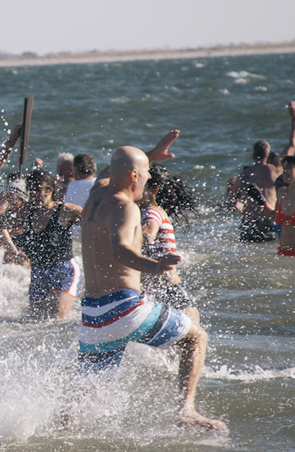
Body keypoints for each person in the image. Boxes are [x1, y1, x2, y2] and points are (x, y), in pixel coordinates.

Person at [79, 146, 224, 430]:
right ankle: (187, 410)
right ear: (134, 175)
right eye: (145, 174)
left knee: (84, 394)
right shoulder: (127, 207)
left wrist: (150, 156)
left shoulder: (95, 197)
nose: (147, 180)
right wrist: (155, 266)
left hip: (93, 316)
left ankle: (60, 432)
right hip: (123, 307)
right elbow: (119, 250)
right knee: (196, 337)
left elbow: (110, 171)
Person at [225, 101, 295, 241]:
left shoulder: (243, 175)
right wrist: (294, 118)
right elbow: (293, 144)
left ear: (253, 156)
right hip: (269, 222)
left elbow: (232, 205)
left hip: (249, 225)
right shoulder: (278, 169)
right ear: (269, 155)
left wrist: (243, 206)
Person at [19, 170, 83, 320]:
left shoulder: (65, 210)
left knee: (55, 321)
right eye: (31, 190)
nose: (35, 194)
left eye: (38, 190)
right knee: (35, 323)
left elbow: (95, 222)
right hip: (38, 274)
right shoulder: (25, 212)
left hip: (64, 270)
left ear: (50, 190)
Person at [140, 164, 200, 324]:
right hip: (170, 293)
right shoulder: (158, 211)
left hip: (166, 294)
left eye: (140, 185)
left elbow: (147, 236)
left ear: (153, 191)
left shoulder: (151, 212)